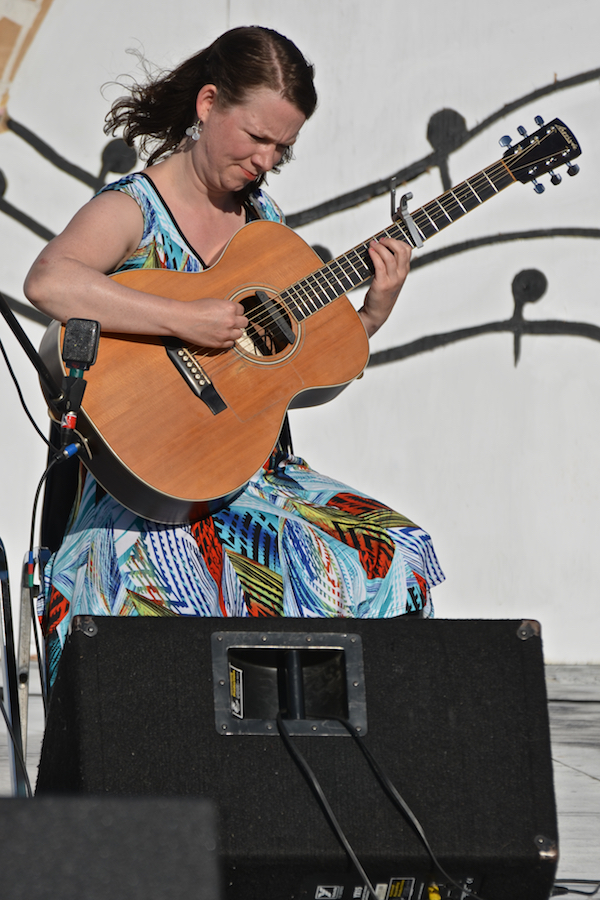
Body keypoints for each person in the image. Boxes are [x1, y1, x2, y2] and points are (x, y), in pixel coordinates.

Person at [25, 26, 444, 687]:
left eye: (284, 148)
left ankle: (325, 771)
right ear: (209, 104)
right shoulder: (133, 207)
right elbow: (50, 280)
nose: (267, 159)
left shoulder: (264, 226)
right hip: (140, 491)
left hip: (251, 478)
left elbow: (289, 374)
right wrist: (187, 317)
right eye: (257, 137)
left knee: (399, 557)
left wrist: (370, 316)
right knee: (164, 587)